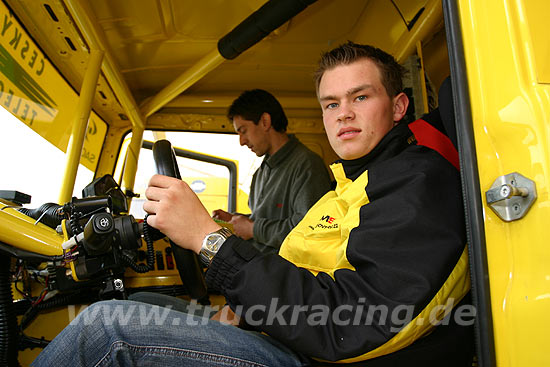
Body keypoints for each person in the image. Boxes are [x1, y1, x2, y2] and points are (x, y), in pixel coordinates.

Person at [33, 42, 473, 366]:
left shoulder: (416, 182)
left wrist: (210, 239)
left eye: (361, 97)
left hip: (314, 354)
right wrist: (244, 309)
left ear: (398, 107)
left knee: (104, 328)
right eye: (331, 103)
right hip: (288, 329)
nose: (343, 114)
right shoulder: (352, 180)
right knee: (143, 303)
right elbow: (308, 267)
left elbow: (354, 320)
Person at [212, 89, 332, 254]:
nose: (241, 142)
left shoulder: (307, 165)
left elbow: (310, 231)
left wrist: (253, 229)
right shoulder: (261, 172)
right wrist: (235, 220)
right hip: (260, 268)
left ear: (265, 121)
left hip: (287, 274)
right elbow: (267, 218)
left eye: (243, 130)